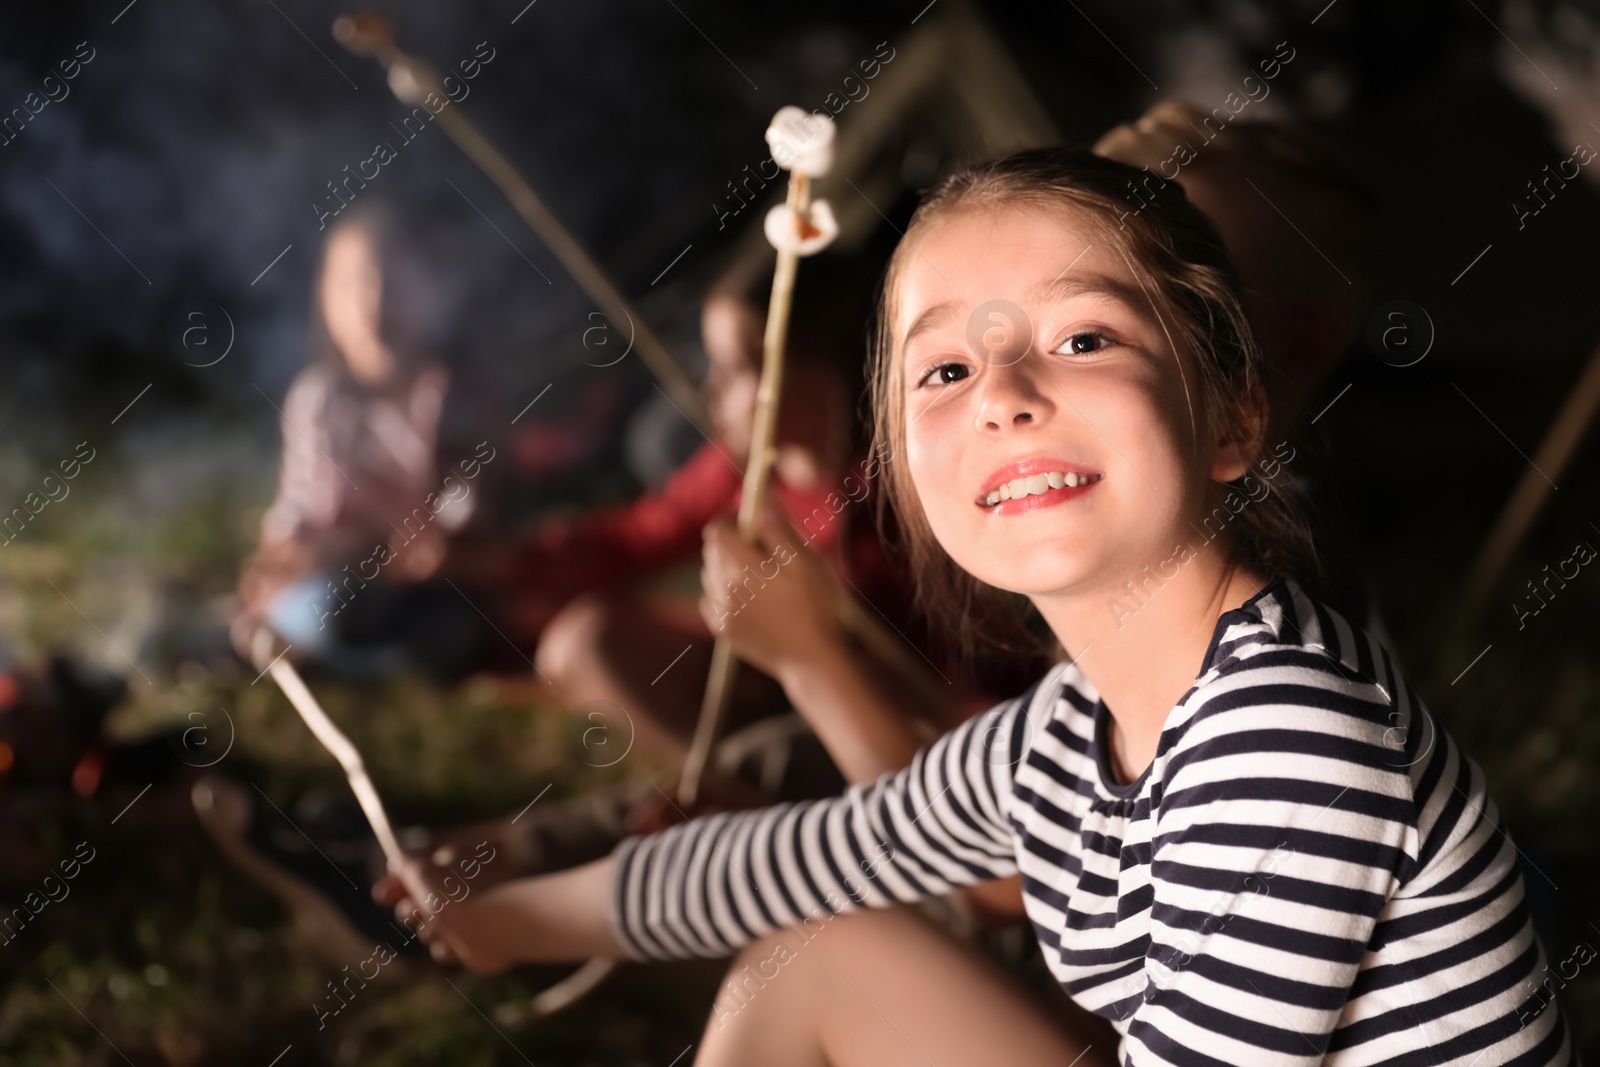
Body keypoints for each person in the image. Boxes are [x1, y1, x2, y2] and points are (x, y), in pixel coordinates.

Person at [372, 147, 1572, 1065]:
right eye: (942, 367)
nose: (1001, 392)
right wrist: (512, 918)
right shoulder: (1065, 730)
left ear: (1233, 417)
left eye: (1082, 333)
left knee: (830, 968)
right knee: (815, 949)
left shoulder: (1289, 738)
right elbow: (796, 858)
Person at [234, 203, 481, 677]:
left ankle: (341, 661)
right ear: (326, 301)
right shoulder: (318, 400)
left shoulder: (451, 395)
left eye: (391, 281)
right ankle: (352, 658)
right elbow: (302, 512)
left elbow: (455, 528)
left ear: (430, 293)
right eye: (352, 284)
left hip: (429, 589)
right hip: (337, 584)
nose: (372, 301)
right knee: (329, 607)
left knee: (447, 627)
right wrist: (281, 558)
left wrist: (382, 549)